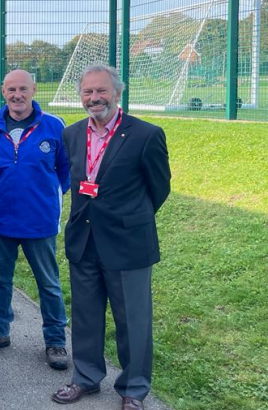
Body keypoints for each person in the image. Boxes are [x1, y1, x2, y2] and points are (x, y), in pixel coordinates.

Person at [51, 64, 171, 410]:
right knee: (86, 315)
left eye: (101, 91)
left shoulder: (145, 134)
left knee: (132, 320)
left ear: (118, 93)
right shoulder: (72, 134)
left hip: (127, 243)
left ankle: (133, 389)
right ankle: (86, 378)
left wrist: (128, 219)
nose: (94, 98)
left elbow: (158, 188)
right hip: (84, 240)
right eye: (88, 92)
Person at [0, 70, 71, 370]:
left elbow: (66, 171)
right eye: (11, 90)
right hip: (1, 221)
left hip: (39, 222)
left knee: (49, 284)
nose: (17, 95)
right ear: (3, 92)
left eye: (23, 89)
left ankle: (55, 341)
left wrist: (48, 196)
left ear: (34, 89)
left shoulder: (54, 126)